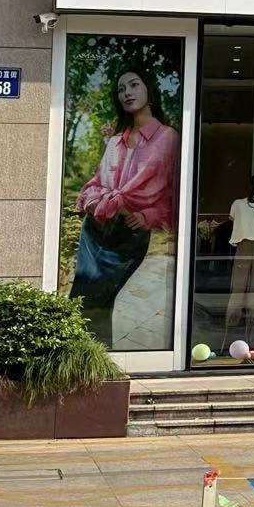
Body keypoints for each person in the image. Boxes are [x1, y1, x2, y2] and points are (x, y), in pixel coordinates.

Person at [70, 67, 180, 345]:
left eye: (134, 85)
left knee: (97, 300)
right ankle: (93, 360)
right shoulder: (115, 141)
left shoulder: (168, 138)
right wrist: (95, 201)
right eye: (121, 89)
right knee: (82, 301)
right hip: (94, 229)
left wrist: (147, 215)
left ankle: (91, 359)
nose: (127, 93)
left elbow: (173, 191)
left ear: (149, 91)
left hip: (128, 235)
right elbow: (96, 182)